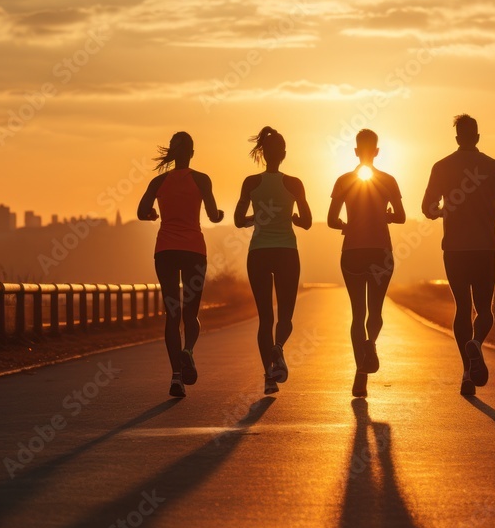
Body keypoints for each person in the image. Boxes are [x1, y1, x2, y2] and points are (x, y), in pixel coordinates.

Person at [422, 114, 495, 396]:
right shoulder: (494, 166)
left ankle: (466, 372)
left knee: (462, 308)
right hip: (485, 247)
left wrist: (442, 211)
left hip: (454, 248)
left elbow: (427, 207)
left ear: (457, 138)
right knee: (485, 310)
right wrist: (492, 213)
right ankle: (476, 342)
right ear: (476, 137)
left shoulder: (441, 167)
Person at [137, 131, 224, 397]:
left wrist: (153, 214)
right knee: (191, 312)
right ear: (193, 153)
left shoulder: (158, 181)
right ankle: (188, 351)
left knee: (172, 314)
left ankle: (176, 377)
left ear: (173, 154)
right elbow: (213, 214)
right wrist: (219, 214)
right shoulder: (201, 179)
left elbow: (142, 212)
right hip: (194, 251)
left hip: (165, 251)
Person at [234, 126, 313, 395]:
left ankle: (268, 377)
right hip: (286, 252)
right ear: (284, 154)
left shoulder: (250, 183)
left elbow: (237, 220)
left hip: (258, 252)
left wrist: (255, 218)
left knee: (264, 318)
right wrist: (291, 218)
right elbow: (307, 222)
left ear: (263, 154)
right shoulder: (294, 183)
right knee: (285, 316)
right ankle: (278, 349)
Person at [327, 129, 406, 397]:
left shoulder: (343, 180)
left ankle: (360, 374)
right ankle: (370, 343)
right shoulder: (389, 180)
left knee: (357, 313)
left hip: (352, 250)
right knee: (375, 311)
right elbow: (402, 216)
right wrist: (386, 216)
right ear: (377, 151)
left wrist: (345, 225)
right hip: (380, 250)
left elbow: (330, 219)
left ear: (355, 151)